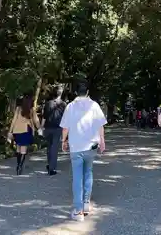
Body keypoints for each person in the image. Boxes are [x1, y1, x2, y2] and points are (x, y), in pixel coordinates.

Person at [60, 82, 107, 222]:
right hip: (91, 146)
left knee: (77, 177)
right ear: (87, 92)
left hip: (76, 147)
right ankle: (86, 204)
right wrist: (102, 141)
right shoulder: (94, 105)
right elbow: (100, 125)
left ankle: (78, 210)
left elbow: (65, 128)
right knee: (88, 173)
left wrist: (64, 141)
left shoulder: (70, 106)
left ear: (76, 92)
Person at [8, 94, 41, 175]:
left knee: (18, 148)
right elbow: (36, 120)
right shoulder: (31, 109)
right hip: (26, 130)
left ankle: (18, 165)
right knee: (23, 150)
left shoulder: (18, 109)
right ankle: (19, 167)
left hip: (17, 131)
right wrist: (39, 128)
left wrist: (10, 131)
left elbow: (14, 120)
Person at [41, 85, 66, 176]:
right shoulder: (63, 104)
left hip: (48, 127)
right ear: (61, 93)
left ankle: (49, 164)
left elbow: (44, 117)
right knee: (54, 148)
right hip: (57, 128)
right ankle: (52, 169)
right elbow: (65, 119)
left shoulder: (48, 103)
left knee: (49, 147)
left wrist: (41, 127)